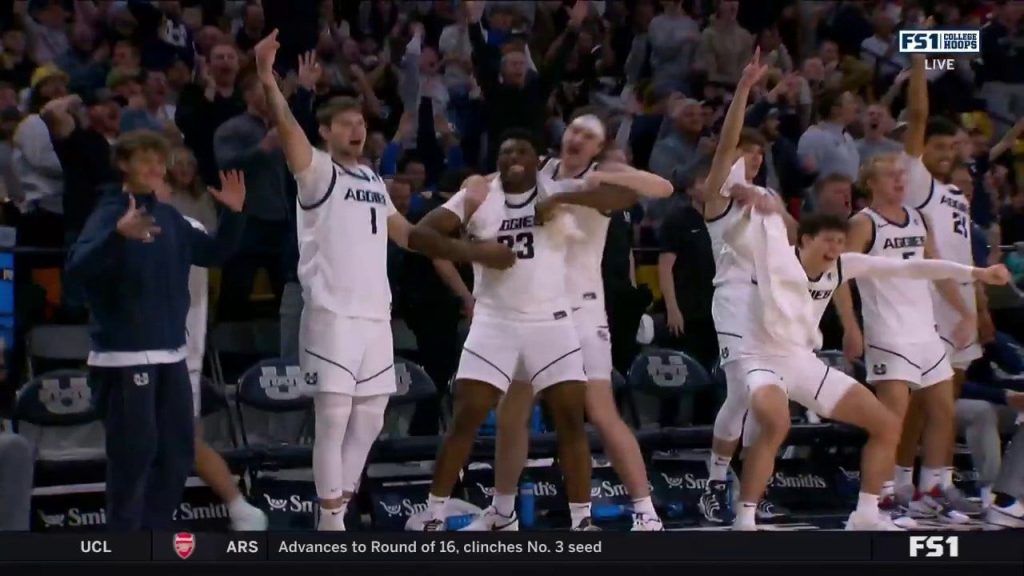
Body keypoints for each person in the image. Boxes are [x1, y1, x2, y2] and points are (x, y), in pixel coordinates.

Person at [253, 30, 511, 531]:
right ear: (325, 133)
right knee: (332, 419)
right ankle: (332, 524)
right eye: (345, 123)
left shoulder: (372, 179)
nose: (356, 129)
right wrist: (268, 79)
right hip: (332, 314)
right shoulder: (317, 172)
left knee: (370, 419)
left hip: (375, 317)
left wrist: (464, 217)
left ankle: (336, 511)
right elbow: (287, 129)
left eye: (360, 122)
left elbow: (412, 237)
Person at [405, 129, 640, 532]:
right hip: (495, 321)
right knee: (467, 417)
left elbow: (625, 197)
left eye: (522, 150)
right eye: (505, 150)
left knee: (569, 420)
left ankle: (582, 520)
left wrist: (565, 198)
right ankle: (434, 513)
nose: (513, 155)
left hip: (552, 322)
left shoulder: (555, 188)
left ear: (537, 160)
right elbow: (419, 235)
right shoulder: (482, 194)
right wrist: (475, 252)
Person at [462, 111, 672, 532]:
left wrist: (613, 172)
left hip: (581, 310)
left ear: (598, 147)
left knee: (599, 409)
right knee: (512, 410)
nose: (578, 138)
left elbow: (663, 188)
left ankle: (646, 512)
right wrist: (473, 185)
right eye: (575, 130)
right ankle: (502, 514)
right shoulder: (538, 168)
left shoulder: (602, 178)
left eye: (589, 136)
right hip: (535, 310)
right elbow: (480, 185)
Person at [731, 211, 1008, 531]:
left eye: (840, 242)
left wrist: (977, 272)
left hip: (803, 362)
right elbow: (741, 237)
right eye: (828, 241)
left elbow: (910, 267)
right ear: (806, 240)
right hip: (761, 360)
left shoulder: (841, 265)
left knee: (887, 426)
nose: (835, 248)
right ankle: (745, 519)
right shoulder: (775, 261)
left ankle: (865, 513)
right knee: (775, 424)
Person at [65, 130, 246, 530]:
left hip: (171, 355)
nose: (153, 168)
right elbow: (76, 270)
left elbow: (215, 253)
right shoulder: (110, 212)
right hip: (124, 357)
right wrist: (116, 237)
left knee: (178, 453)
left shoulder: (171, 218)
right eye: (144, 160)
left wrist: (233, 214)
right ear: (124, 165)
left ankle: (155, 539)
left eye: (158, 161)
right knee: (134, 458)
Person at [838, 150, 976, 527]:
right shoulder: (863, 223)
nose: (900, 181)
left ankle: (932, 490)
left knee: (943, 412)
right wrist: (851, 326)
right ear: (871, 184)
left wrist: (964, 312)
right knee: (891, 422)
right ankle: (882, 499)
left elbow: (935, 269)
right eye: (890, 176)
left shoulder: (918, 217)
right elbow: (839, 275)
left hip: (926, 332)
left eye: (902, 175)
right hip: (888, 334)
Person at [696, 49, 795, 525]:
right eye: (746, 150)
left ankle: (752, 487)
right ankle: (714, 483)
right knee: (741, 392)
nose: (753, 157)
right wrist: (743, 90)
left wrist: (773, 208)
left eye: (759, 153)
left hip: (773, 302)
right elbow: (724, 147)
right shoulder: (717, 195)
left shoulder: (768, 195)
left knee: (768, 397)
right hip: (734, 298)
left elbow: (798, 239)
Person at [154, 150, 268, 531]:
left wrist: (235, 214)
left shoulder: (186, 229)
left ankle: (239, 507)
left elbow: (219, 253)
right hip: (140, 352)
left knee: (180, 442)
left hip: (179, 353)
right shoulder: (123, 226)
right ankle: (237, 507)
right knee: (168, 442)